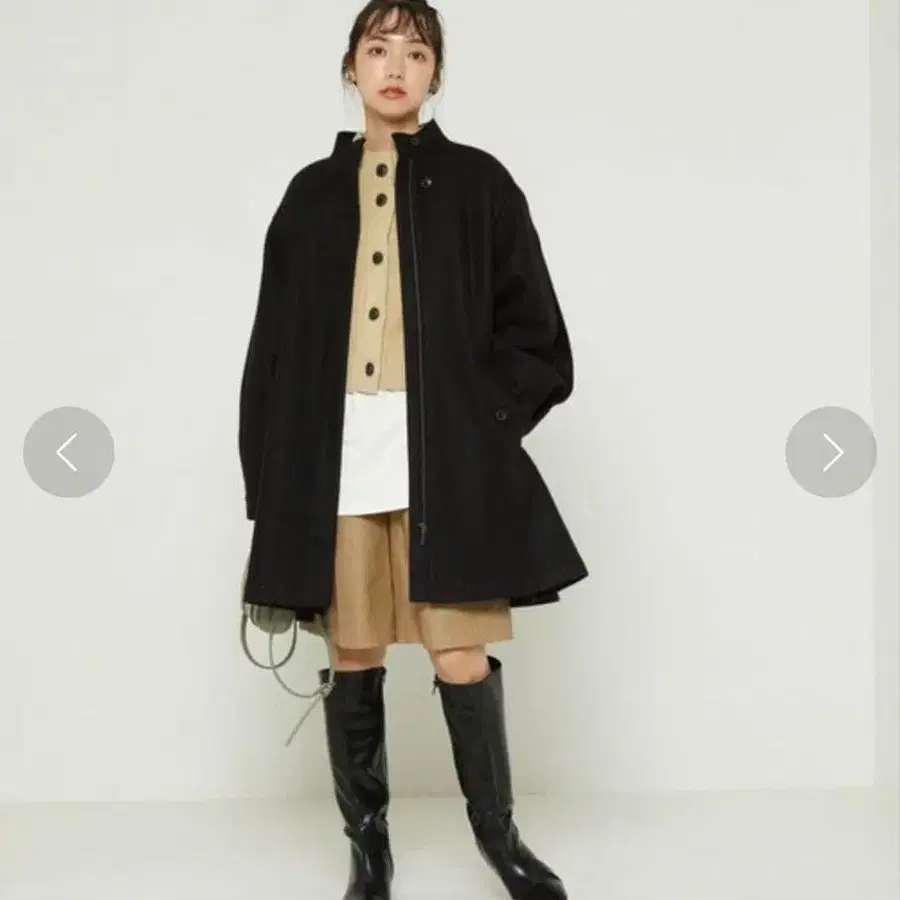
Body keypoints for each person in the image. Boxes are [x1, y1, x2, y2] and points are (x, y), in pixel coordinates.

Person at [238, 1, 588, 897]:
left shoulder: (481, 184)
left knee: (459, 655)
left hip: (446, 465)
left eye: (417, 52)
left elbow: (539, 336)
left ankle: (500, 841)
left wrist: (482, 421)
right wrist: (267, 481)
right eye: (378, 48)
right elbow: (271, 347)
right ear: (351, 66)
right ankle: (369, 850)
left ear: (437, 74)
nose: (396, 66)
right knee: (354, 654)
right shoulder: (309, 197)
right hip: (337, 462)